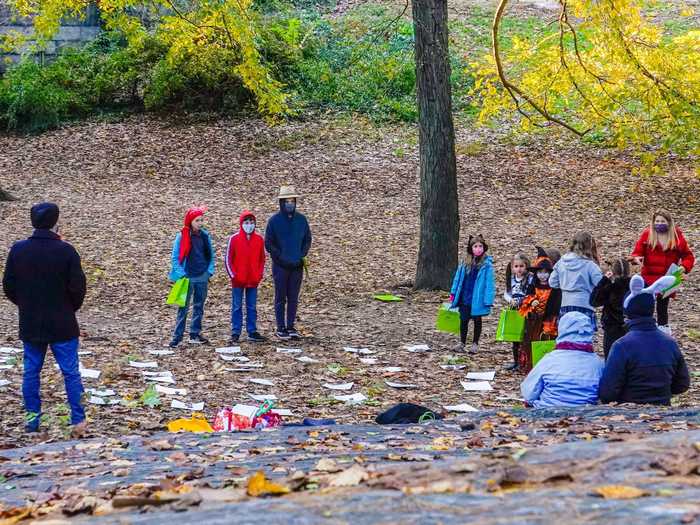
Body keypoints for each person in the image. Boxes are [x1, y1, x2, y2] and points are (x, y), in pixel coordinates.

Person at [2, 202, 87, 436]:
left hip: (31, 321)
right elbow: (78, 286)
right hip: (63, 321)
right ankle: (78, 420)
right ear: (55, 221)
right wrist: (69, 308)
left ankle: (32, 421)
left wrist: (26, 304)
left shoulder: (18, 250)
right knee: (70, 372)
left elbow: (9, 284)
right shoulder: (66, 250)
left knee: (31, 371)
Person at [599, 274, 690, 406]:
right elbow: (682, 384)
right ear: (651, 310)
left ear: (627, 313)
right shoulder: (670, 343)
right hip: (663, 412)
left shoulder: (621, 346)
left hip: (627, 415)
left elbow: (607, 393)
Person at [630, 209, 695, 334]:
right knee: (646, 304)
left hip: (669, 277)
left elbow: (688, 256)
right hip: (649, 276)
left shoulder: (677, 236)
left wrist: (683, 267)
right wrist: (636, 259)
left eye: (662, 221)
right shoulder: (647, 235)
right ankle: (644, 330)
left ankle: (663, 332)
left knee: (662, 307)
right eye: (657, 221)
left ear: (669, 223)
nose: (659, 224)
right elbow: (637, 253)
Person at [521, 312, 604, 408]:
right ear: (589, 331)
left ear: (562, 329)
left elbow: (529, 393)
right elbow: (604, 393)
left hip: (547, 411)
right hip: (586, 413)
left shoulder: (550, 360)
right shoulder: (598, 363)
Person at [264, 186, 312, 341]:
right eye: (287, 201)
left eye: (292, 201)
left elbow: (307, 240)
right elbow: (269, 243)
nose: (290, 204)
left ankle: (290, 326)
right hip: (280, 266)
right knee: (280, 298)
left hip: (297, 265)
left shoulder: (301, 220)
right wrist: (280, 257)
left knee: (293, 297)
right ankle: (280, 327)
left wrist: (301, 255)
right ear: (282, 203)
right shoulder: (274, 221)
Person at [168, 207, 215, 347]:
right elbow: (175, 258)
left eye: (201, 220)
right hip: (187, 277)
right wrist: (182, 274)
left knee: (199, 307)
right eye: (197, 220)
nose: (200, 223)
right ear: (190, 221)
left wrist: (209, 272)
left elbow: (210, 255)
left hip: (202, 275)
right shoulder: (182, 236)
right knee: (183, 308)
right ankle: (177, 337)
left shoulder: (205, 236)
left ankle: (195, 334)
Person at [449, 234, 496, 354]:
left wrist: (488, 299)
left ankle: (475, 343)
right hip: (465, 296)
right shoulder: (465, 263)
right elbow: (458, 279)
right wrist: (453, 292)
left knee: (477, 320)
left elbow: (489, 283)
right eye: (475, 246)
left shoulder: (487, 265)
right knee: (463, 320)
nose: (478, 248)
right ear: (471, 248)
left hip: (478, 298)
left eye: (480, 246)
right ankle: (462, 343)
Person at [225, 210, 266, 343]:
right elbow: (228, 259)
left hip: (253, 280)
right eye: (246, 222)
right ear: (241, 224)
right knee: (237, 306)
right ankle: (236, 331)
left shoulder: (259, 239)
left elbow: (262, 259)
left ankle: (252, 330)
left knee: (252, 306)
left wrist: (259, 275)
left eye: (251, 222)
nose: (249, 225)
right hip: (238, 280)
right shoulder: (234, 239)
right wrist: (233, 275)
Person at [518, 247, 561, 372]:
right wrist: (531, 302)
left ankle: (548, 366)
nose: (543, 275)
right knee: (531, 341)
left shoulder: (555, 289)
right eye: (540, 272)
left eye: (546, 272)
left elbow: (555, 305)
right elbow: (526, 300)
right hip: (533, 321)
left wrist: (550, 316)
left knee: (547, 340)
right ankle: (531, 364)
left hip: (548, 321)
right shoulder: (533, 286)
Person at [549, 232, 603, 330]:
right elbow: (600, 284)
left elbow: (552, 282)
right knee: (583, 337)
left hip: (566, 304)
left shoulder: (561, 262)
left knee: (567, 335)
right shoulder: (590, 265)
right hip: (585, 304)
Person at [589, 257, 632, 359]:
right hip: (631, 327)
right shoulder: (634, 286)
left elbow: (593, 301)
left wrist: (604, 280)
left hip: (612, 329)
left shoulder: (610, 288)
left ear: (613, 272)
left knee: (611, 358)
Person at [503, 253, 531, 371]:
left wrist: (522, 301)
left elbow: (530, 294)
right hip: (514, 310)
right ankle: (515, 361)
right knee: (515, 338)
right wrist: (510, 300)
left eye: (521, 266)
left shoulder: (529, 279)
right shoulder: (511, 279)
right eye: (516, 266)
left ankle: (522, 362)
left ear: (526, 266)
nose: (519, 269)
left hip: (525, 310)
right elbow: (506, 293)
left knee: (523, 337)